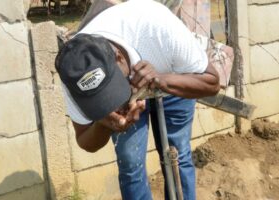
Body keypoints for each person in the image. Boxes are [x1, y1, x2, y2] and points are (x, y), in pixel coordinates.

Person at [55, 0, 220, 199]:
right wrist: (105, 124)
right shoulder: (74, 69)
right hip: (147, 77)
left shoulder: (159, 29)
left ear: (119, 58)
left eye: (110, 87)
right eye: (101, 98)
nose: (108, 101)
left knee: (177, 154)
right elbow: (85, 141)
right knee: (130, 163)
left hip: (171, 76)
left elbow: (212, 83)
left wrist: (162, 80)